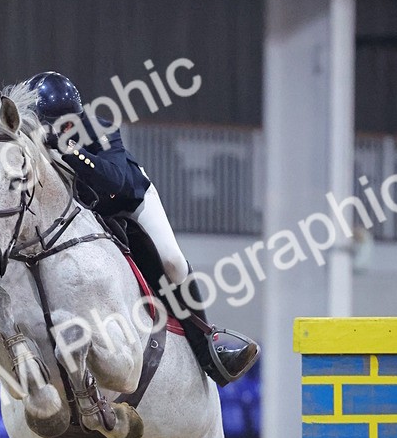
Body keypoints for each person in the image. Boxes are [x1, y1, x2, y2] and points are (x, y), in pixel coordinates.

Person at [25, 71, 259, 386]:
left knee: (172, 263)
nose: (61, 130)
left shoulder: (98, 128)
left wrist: (69, 150)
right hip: (82, 216)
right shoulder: (28, 147)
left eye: (65, 124)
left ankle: (209, 351)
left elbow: (115, 182)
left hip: (129, 202)